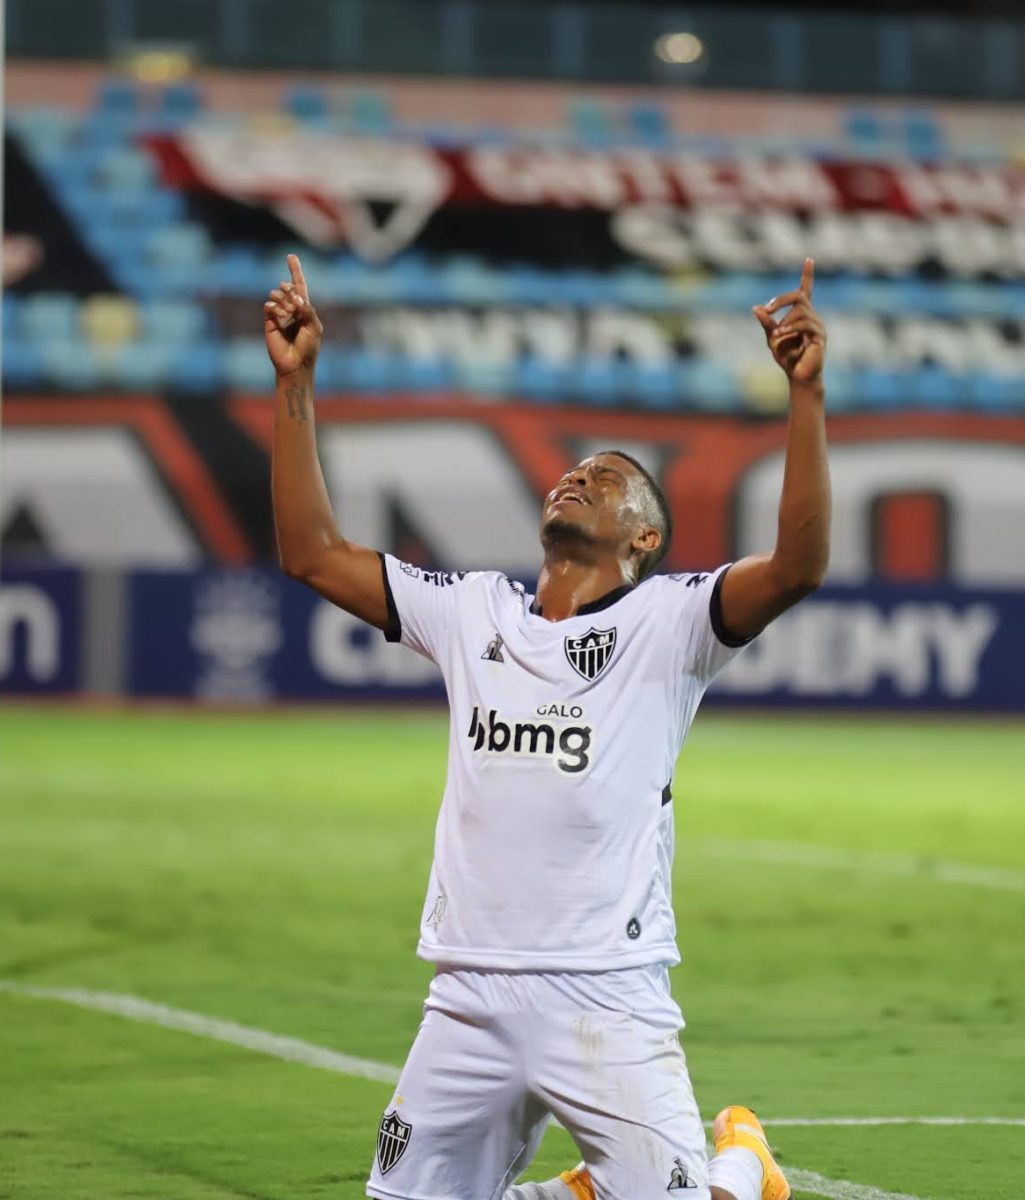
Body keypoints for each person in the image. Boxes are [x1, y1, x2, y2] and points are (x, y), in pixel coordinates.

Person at [265, 253, 829, 1200]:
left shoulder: (672, 624)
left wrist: (805, 400)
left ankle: (741, 1159)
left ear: (645, 540)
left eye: (607, 481)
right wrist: (295, 384)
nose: (578, 479)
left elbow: (799, 567)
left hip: (605, 994)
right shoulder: (471, 612)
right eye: (574, 471)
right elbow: (313, 555)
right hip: (469, 998)